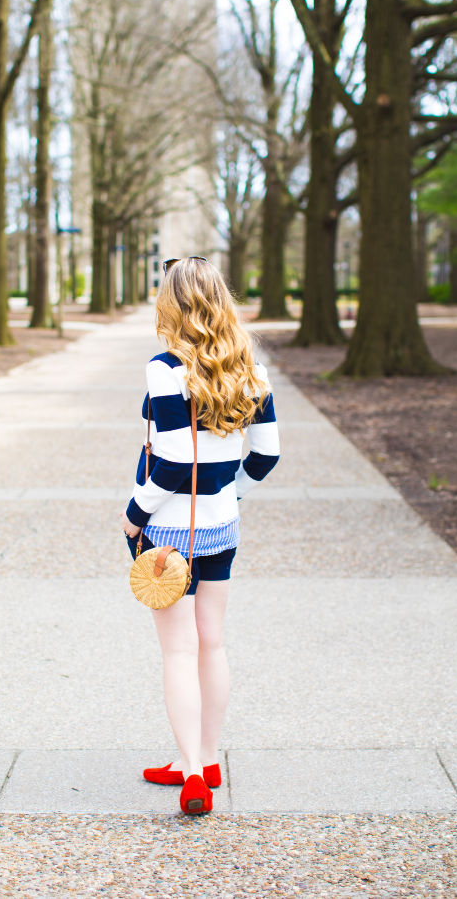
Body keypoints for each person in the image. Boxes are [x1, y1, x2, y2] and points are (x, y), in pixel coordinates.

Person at [120, 257, 280, 815]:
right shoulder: (250, 369)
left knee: (178, 651)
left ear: (172, 303)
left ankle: (190, 774)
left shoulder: (165, 368)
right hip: (221, 528)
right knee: (211, 642)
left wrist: (133, 515)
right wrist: (229, 493)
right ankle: (206, 757)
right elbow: (266, 455)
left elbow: (169, 462)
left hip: (168, 530)